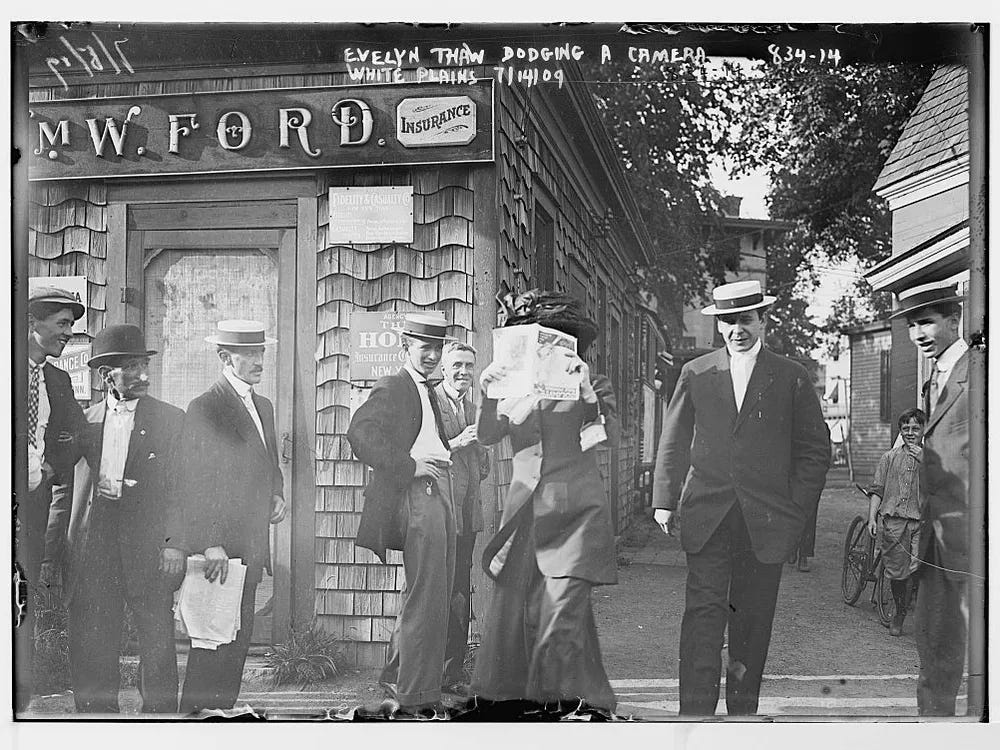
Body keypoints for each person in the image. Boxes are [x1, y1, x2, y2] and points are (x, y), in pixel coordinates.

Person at [652, 280, 830, 717]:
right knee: (703, 619)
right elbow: (673, 440)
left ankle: (742, 721)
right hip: (707, 516)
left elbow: (815, 450)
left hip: (766, 523)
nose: (737, 329)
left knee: (751, 623)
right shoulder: (696, 372)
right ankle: (693, 720)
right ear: (719, 326)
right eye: (728, 321)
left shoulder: (791, 375)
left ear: (763, 320)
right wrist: (664, 498)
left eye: (745, 319)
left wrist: (795, 508)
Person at [472, 289, 619, 716]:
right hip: (524, 521)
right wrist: (487, 393)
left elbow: (607, 440)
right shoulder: (512, 386)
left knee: (558, 622)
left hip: (575, 519)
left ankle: (549, 716)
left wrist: (588, 395)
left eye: (555, 338)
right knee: (515, 627)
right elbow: (486, 437)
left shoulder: (591, 382)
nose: (545, 347)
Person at [45, 325, 184, 712]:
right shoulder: (83, 422)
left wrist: (176, 544)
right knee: (93, 640)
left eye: (144, 365)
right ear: (107, 375)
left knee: (156, 640)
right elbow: (62, 489)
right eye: (132, 368)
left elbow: (182, 490)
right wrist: (52, 553)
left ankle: (160, 725)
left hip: (149, 544)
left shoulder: (171, 421)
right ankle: (97, 723)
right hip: (94, 545)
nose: (143, 375)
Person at [161, 319, 286, 713]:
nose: (258, 359)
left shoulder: (261, 405)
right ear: (224, 357)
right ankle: (193, 723)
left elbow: (267, 464)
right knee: (212, 644)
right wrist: (209, 541)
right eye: (249, 353)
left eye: (261, 351)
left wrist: (277, 494)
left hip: (249, 545)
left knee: (236, 642)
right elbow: (192, 481)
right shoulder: (206, 407)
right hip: (219, 550)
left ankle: (221, 722)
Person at [348, 312, 456, 716]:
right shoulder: (395, 384)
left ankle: (425, 691)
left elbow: (431, 438)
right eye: (424, 347)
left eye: (437, 348)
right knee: (425, 596)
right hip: (418, 495)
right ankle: (413, 696)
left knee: (438, 595)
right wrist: (409, 465)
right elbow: (360, 434)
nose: (431, 355)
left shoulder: (427, 389)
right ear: (405, 347)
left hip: (441, 490)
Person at [892, 284, 970, 716]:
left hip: (975, 536)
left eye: (927, 321)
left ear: (953, 320)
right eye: (911, 325)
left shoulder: (979, 370)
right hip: (936, 537)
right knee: (935, 645)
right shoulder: (933, 379)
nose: (918, 333)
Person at [17, 286, 86, 713]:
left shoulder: (56, 380)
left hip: (34, 506)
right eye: (62, 324)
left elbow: (77, 433)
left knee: (20, 597)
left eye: (72, 326)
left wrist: (50, 467)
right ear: (32, 324)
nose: (68, 334)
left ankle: (17, 693)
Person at [434, 341, 490, 692]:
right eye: (457, 365)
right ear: (443, 368)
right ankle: (416, 670)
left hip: (466, 517)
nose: (463, 373)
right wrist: (456, 442)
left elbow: (481, 469)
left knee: (459, 593)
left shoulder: (472, 407)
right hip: (437, 513)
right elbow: (416, 452)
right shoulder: (429, 403)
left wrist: (480, 445)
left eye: (469, 366)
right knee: (431, 592)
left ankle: (452, 673)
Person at [865, 407, 927, 638]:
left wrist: (924, 459)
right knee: (898, 573)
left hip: (921, 523)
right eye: (905, 429)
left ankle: (915, 616)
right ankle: (900, 612)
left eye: (915, 428)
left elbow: (942, 486)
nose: (910, 433)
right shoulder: (889, 458)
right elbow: (877, 490)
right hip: (894, 523)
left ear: (923, 430)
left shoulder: (932, 461)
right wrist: (872, 518)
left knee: (917, 569)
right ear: (900, 431)